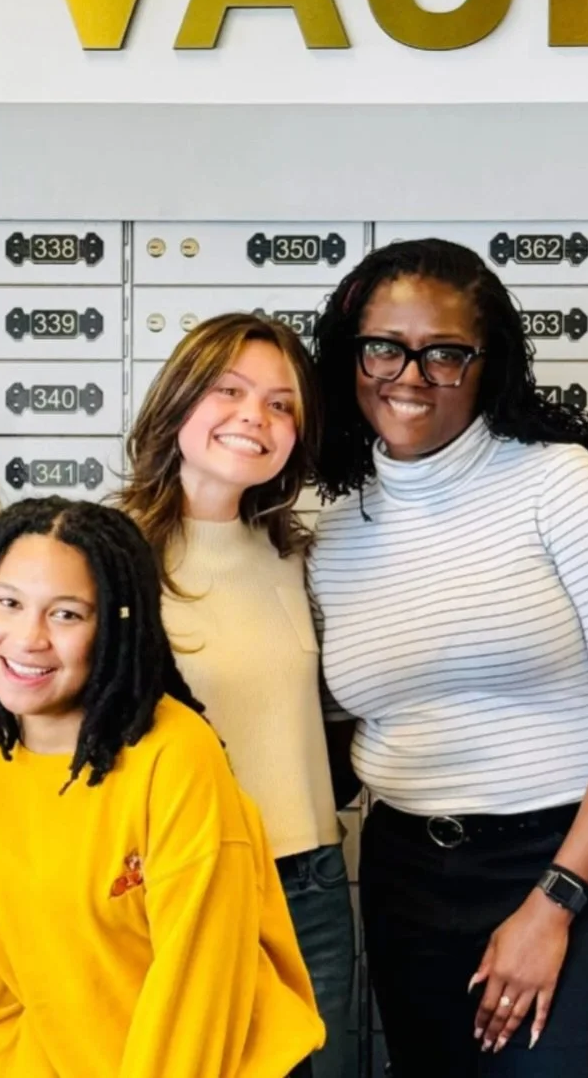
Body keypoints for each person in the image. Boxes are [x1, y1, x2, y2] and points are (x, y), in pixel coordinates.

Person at [307, 239, 588, 1077]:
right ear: (349, 356)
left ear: (487, 364)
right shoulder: (328, 523)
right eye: (384, 346)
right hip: (408, 872)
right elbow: (333, 737)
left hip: (570, 861)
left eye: (444, 351)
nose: (410, 374)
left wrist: (554, 900)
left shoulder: (563, 488)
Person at [0, 497, 326, 1078]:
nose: (29, 637)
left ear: (116, 626)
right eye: (8, 603)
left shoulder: (177, 755)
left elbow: (198, 990)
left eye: (66, 614)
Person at [116, 313, 358, 1078]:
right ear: (178, 400)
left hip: (310, 883)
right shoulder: (105, 551)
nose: (256, 416)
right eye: (229, 389)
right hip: (182, 889)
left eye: (282, 403)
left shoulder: (298, 552)